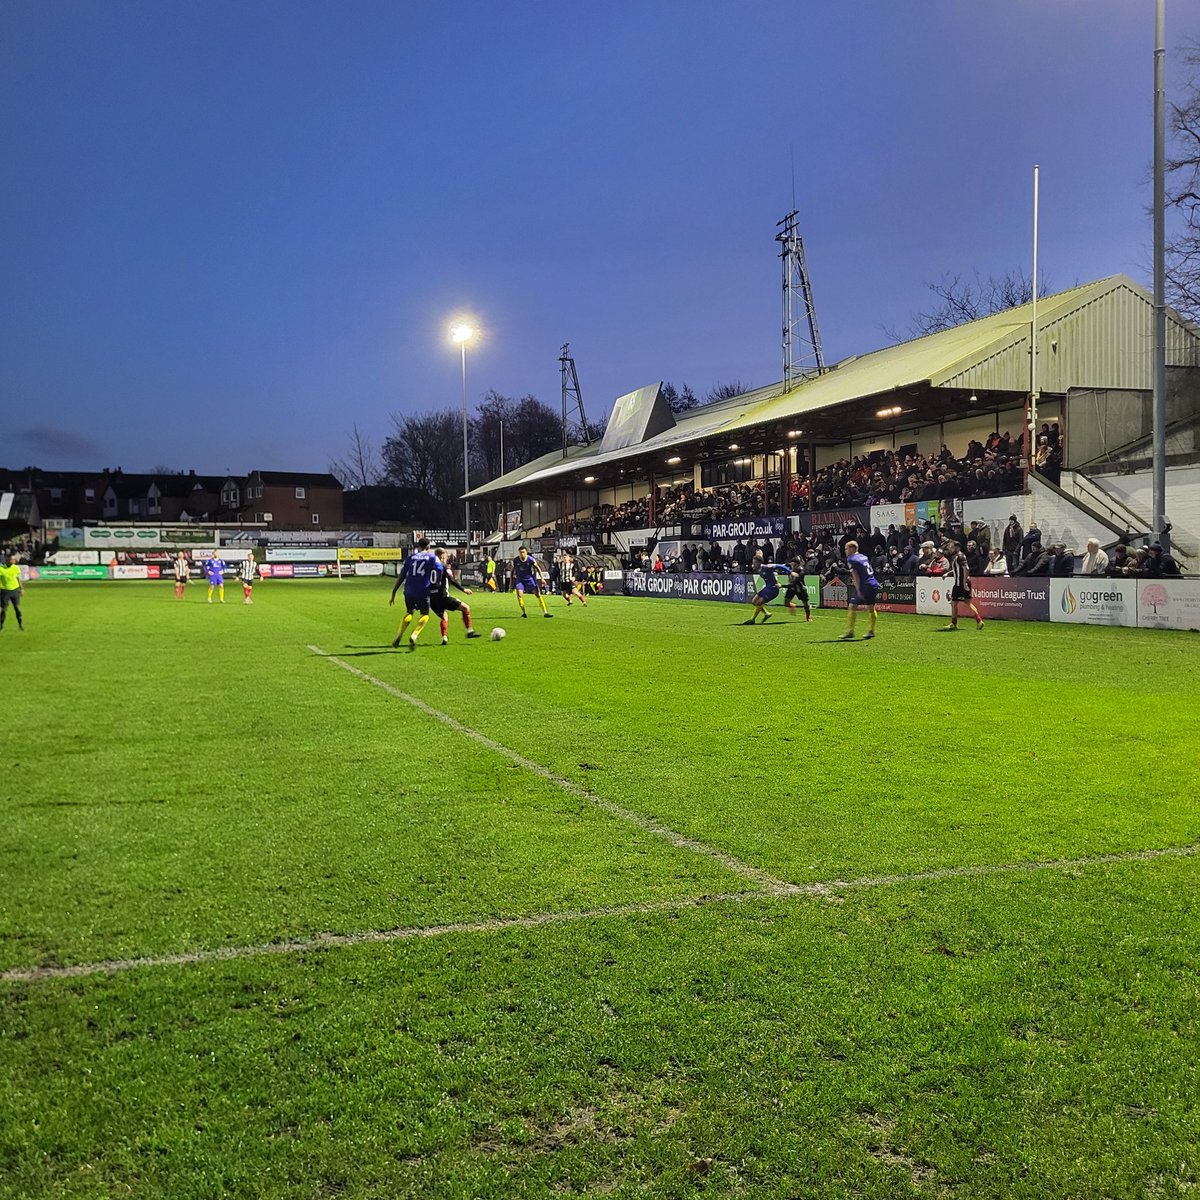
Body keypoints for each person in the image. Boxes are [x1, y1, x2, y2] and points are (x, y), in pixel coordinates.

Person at [389, 536, 441, 650]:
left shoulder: (411, 557)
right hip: (423, 589)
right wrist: (436, 582)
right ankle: (414, 634)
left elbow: (402, 575)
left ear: (418, 546)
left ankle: (399, 634)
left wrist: (394, 591)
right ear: (428, 546)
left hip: (408, 590)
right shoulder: (432, 557)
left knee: (409, 612)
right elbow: (440, 569)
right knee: (425, 613)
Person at [431, 547, 482, 643]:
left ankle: (444, 638)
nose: (445, 559)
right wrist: (463, 589)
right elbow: (452, 581)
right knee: (466, 608)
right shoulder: (442, 567)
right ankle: (469, 631)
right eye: (445, 557)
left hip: (432, 600)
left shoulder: (428, 568)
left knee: (444, 617)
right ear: (441, 557)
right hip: (443, 597)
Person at [837, 540, 879, 641]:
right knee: (869, 608)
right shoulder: (863, 557)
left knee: (853, 606)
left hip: (865, 585)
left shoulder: (852, 559)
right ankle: (871, 630)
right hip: (873, 583)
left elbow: (855, 576)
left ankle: (851, 631)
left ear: (852, 549)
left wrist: (858, 590)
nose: (845, 551)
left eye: (846, 548)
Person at [941, 541, 984, 631]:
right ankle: (979, 620)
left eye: (951, 547)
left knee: (954, 603)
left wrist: (964, 582)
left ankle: (954, 623)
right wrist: (947, 574)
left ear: (956, 547)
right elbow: (957, 570)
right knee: (965, 603)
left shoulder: (959, 556)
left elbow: (966, 568)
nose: (950, 549)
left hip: (960, 583)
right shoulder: (958, 557)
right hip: (961, 582)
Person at [743, 552, 783, 624]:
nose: (753, 564)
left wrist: (790, 571)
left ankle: (752, 619)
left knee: (758, 603)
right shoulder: (759, 569)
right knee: (754, 601)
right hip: (767, 588)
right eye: (753, 562)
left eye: (754, 562)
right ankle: (766, 614)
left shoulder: (766, 567)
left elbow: (779, 566)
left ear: (759, 563)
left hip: (773, 589)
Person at [512, 546, 552, 618]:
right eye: (520, 552)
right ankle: (524, 613)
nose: (522, 554)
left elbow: (538, 568)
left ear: (526, 552)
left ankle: (545, 612)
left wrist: (542, 578)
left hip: (529, 579)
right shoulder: (516, 560)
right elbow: (514, 568)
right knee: (519, 594)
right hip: (520, 579)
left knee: (538, 594)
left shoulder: (531, 559)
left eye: (523, 552)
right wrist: (514, 574)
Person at [783, 556, 813, 622]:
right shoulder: (789, 569)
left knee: (805, 604)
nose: (793, 566)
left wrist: (782, 586)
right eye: (792, 564)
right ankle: (793, 605)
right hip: (791, 588)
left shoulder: (802, 572)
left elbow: (794, 582)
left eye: (794, 564)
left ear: (798, 564)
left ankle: (808, 617)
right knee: (786, 603)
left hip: (800, 588)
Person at [0, 551, 25, 632]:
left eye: (14, 560)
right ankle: (1, 625)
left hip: (14, 590)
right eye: (12, 560)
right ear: (7, 560)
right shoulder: (1, 569)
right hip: (5, 591)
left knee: (17, 608)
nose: (14, 561)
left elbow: (18, 579)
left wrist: (21, 588)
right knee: (4, 609)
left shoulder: (15, 568)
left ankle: (20, 623)